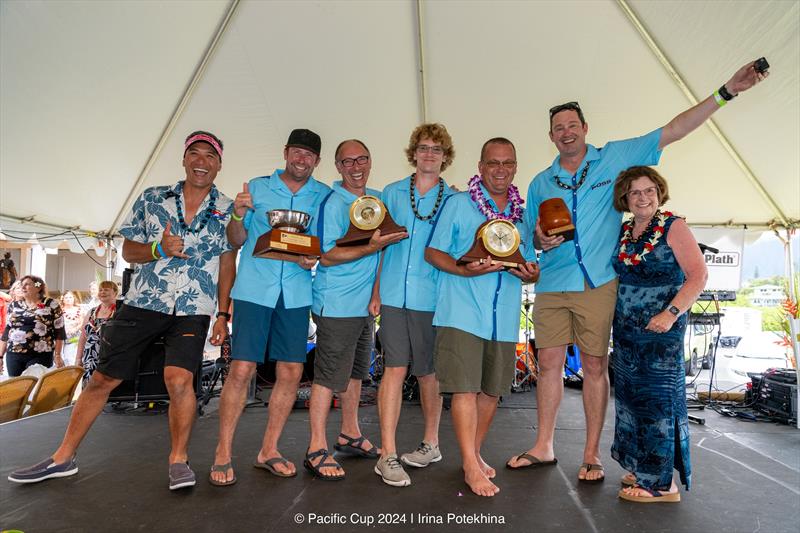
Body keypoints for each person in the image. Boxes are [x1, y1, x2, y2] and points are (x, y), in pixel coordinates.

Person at [509, 60, 769, 482]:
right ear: (551, 135)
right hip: (553, 284)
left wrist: (727, 91)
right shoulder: (540, 182)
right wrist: (538, 243)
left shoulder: (618, 156)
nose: (566, 132)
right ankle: (543, 445)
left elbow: (676, 127)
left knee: (595, 367)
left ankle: (591, 454)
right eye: (558, 127)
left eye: (572, 124)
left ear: (585, 127)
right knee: (549, 364)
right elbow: (529, 239)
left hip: (599, 286)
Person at [8, 130, 236, 490]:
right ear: (183, 158)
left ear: (219, 164)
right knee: (101, 379)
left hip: (194, 306)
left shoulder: (227, 209)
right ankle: (62, 457)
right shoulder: (153, 198)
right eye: (195, 153)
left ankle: (179, 460)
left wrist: (224, 314)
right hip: (145, 301)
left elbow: (227, 263)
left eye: (210, 156)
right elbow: (129, 251)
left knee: (179, 379)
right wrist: (158, 251)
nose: (201, 162)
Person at [210, 129, 330, 486]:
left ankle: (269, 450)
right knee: (242, 369)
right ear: (285, 152)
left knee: (292, 372)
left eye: (309, 155)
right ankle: (222, 452)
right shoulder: (256, 189)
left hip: (295, 293)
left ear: (317, 161)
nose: (302, 160)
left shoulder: (324, 195)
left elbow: (322, 244)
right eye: (296, 152)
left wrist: (314, 258)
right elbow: (235, 240)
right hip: (254, 291)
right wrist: (237, 214)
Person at [425, 138, 539, 497]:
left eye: (507, 163)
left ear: (516, 167)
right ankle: (472, 467)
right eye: (493, 163)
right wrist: (464, 272)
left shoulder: (522, 213)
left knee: (492, 390)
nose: (500, 170)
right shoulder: (458, 204)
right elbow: (433, 252)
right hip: (461, 311)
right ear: (480, 165)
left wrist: (532, 274)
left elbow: (530, 263)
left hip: (503, 315)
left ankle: (472, 454)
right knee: (465, 388)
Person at [305, 139, 406, 480]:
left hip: (364, 306)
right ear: (337, 167)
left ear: (370, 160)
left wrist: (376, 293)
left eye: (361, 158)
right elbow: (327, 255)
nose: (355, 166)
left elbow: (386, 247)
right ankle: (316, 448)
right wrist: (370, 246)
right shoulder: (331, 202)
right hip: (336, 304)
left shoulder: (375, 200)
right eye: (347, 162)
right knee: (328, 377)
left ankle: (349, 433)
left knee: (355, 374)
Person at [610, 166, 706, 502]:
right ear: (626, 196)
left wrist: (671, 313)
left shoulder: (673, 226)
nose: (643, 197)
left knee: (658, 405)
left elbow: (697, 276)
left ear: (659, 192)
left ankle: (661, 485)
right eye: (635, 192)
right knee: (630, 402)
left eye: (649, 190)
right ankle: (641, 466)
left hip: (660, 331)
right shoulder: (625, 231)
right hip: (625, 333)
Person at [371, 123, 456, 487]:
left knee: (428, 374)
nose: (429, 154)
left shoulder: (454, 200)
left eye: (437, 149)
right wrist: (375, 292)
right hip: (391, 295)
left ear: (445, 156)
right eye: (423, 147)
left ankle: (431, 443)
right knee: (394, 368)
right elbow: (377, 247)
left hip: (431, 299)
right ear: (413, 152)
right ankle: (387, 454)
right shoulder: (390, 193)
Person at [0, 275, 66, 376]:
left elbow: (59, 332)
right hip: (14, 354)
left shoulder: (51, 304)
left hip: (41, 354)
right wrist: (0, 356)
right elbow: (7, 330)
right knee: (16, 388)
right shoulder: (14, 305)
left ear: (38, 287)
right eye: (22, 285)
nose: (23, 287)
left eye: (27, 284)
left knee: (34, 387)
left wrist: (57, 355)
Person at [75, 281, 119, 385]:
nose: (102, 292)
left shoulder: (120, 311)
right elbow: (83, 337)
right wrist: (78, 358)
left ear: (115, 293)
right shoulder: (92, 312)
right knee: (89, 387)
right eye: (100, 290)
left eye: (106, 290)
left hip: (109, 359)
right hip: (89, 359)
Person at [60, 290, 83, 366]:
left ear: (74, 298)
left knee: (70, 358)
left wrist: (75, 329)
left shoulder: (79, 310)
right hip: (61, 338)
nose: (68, 299)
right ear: (62, 299)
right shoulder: (59, 310)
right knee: (61, 358)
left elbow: (82, 323)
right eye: (66, 297)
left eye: (70, 297)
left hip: (74, 338)